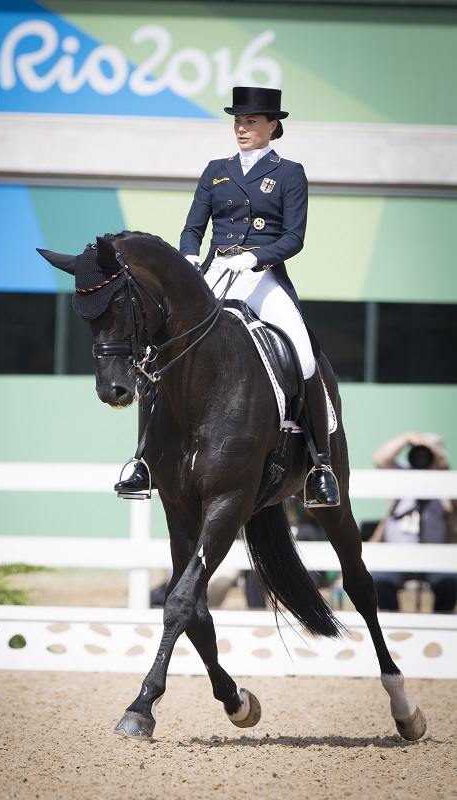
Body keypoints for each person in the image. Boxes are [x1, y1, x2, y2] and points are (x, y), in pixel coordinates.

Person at [115, 85, 339, 507]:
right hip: (214, 274)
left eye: (251, 121)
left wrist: (254, 259)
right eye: (237, 121)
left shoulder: (289, 172)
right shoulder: (216, 169)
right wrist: (187, 258)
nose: (241, 128)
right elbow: (192, 227)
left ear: (273, 126)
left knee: (305, 355)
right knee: (163, 350)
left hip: (262, 277)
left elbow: (294, 237)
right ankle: (144, 458)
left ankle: (319, 463)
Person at [369, 431, 457, 613]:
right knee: (381, 581)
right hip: (397, 557)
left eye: (429, 453)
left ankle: (439, 627)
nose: (425, 457)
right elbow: (380, 459)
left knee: (450, 583)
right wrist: (406, 438)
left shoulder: (447, 480)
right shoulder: (404, 472)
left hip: (436, 558)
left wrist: (439, 467)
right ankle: (393, 625)